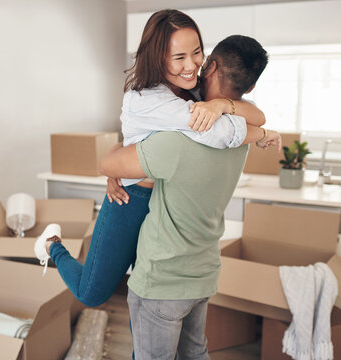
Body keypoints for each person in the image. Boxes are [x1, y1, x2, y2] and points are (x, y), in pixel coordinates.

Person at [34, 10, 268, 308]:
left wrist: (223, 104)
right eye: (179, 57)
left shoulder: (192, 88)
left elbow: (255, 112)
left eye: (197, 52)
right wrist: (259, 134)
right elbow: (217, 133)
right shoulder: (147, 99)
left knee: (143, 287)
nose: (192, 64)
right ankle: (51, 245)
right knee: (91, 293)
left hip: (164, 200)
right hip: (129, 199)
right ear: (158, 59)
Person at [98, 34, 280, 359]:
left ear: (208, 65)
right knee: (195, 353)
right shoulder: (241, 136)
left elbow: (107, 163)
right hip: (203, 273)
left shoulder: (178, 139)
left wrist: (116, 167)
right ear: (249, 89)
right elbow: (256, 117)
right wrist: (237, 114)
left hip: (162, 278)